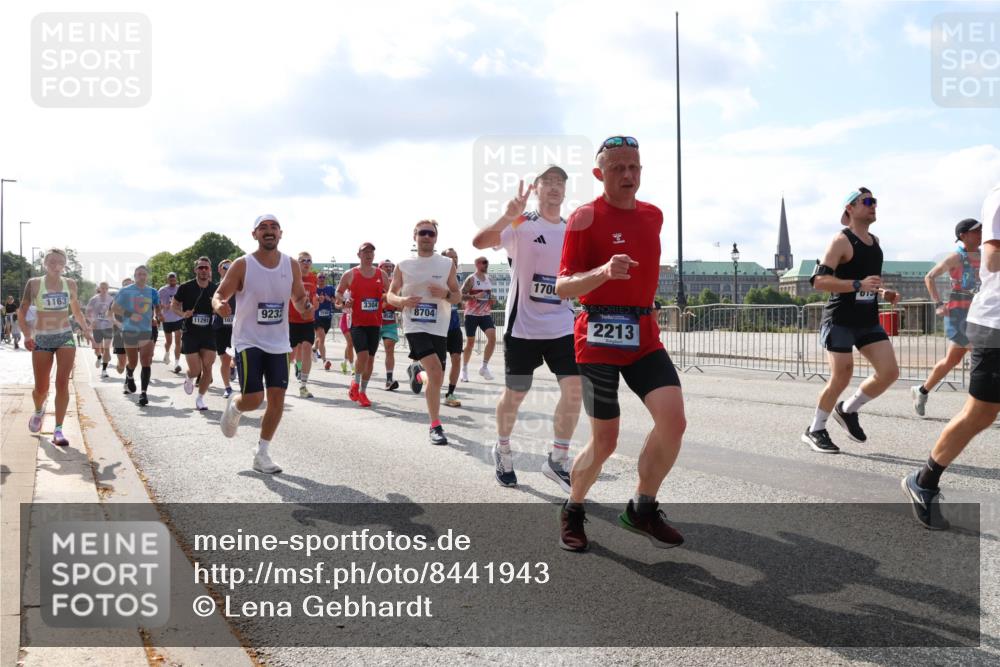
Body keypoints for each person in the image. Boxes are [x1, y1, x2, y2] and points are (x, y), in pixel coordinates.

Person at [555, 136, 686, 552]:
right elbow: (563, 286)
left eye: (634, 167)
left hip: (644, 335)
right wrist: (604, 271)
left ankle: (642, 507)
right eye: (617, 168)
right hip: (597, 338)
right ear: (599, 173)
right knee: (606, 440)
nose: (628, 175)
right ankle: (574, 508)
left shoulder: (654, 215)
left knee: (674, 422)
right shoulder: (583, 218)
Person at [473, 168, 581, 491]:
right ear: (536, 189)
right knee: (515, 395)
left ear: (565, 191)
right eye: (548, 182)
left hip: (562, 324)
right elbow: (479, 241)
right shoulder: (521, 224)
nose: (554, 188)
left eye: (560, 182)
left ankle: (557, 459)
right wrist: (507, 216)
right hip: (523, 327)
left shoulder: (572, 229)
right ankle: (503, 448)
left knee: (574, 389)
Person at [903, 183, 1000, 530]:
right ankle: (924, 481)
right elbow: (992, 259)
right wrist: (939, 304)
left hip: (976, 317)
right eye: (972, 232)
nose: (976, 234)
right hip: (990, 322)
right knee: (979, 414)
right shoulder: (998, 199)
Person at [802, 187, 901, 453]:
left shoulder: (875, 242)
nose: (873, 206)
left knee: (890, 373)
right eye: (867, 201)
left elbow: (868, 281)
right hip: (841, 319)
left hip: (867, 319)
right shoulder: (840, 241)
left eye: (875, 201)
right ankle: (815, 429)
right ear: (850, 208)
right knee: (841, 376)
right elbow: (819, 281)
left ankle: (847, 409)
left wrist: (883, 291)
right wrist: (859, 284)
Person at [214, 214, 313, 474]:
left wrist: (305, 306)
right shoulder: (242, 264)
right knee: (254, 398)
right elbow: (220, 294)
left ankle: (262, 452)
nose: (269, 231)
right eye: (263, 228)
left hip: (279, 342)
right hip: (248, 340)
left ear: (281, 233)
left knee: (277, 399)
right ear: (254, 234)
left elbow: (299, 296)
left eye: (273, 227)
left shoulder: (290, 265)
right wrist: (219, 305)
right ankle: (236, 406)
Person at [387, 220, 461, 445]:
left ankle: (417, 372)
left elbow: (457, 296)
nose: (426, 236)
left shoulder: (446, 264)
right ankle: (435, 426)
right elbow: (390, 295)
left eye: (430, 233)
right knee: (437, 371)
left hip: (439, 326)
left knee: (434, 376)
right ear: (415, 236)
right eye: (422, 233)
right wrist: (402, 300)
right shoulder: (403, 264)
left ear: (436, 238)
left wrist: (445, 294)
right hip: (414, 324)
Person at [18, 248, 92, 446]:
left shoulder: (70, 284)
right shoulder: (34, 284)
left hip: (65, 337)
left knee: (62, 383)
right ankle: (38, 410)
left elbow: (76, 311)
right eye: (51, 261)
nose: (56, 265)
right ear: (45, 264)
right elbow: (22, 311)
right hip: (42, 338)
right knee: (41, 387)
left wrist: (86, 330)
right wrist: (26, 335)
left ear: (64, 264)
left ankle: (58, 429)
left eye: (60, 262)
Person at [912, 219, 982, 416]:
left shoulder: (985, 257)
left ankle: (922, 390)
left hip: (977, 314)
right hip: (958, 315)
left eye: (982, 230)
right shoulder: (955, 258)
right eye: (977, 231)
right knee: (984, 355)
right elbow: (929, 277)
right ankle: (982, 404)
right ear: (963, 235)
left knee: (952, 360)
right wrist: (939, 304)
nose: (981, 234)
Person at [336, 242, 389, 407]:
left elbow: (390, 294)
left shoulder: (381, 274)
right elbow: (338, 293)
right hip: (357, 322)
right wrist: (345, 301)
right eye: (365, 252)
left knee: (371, 360)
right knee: (363, 355)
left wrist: (387, 300)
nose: (369, 254)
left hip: (374, 322)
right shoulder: (351, 274)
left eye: (371, 252)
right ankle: (356, 383)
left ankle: (363, 392)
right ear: (358, 255)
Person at [172, 257, 219, 411]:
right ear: (196, 270)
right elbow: (174, 306)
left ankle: (200, 398)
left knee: (208, 367)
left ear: (210, 271)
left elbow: (221, 306)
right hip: (190, 332)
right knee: (195, 370)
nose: (204, 270)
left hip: (209, 333)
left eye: (206, 268)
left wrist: (217, 310)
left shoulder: (215, 289)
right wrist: (183, 313)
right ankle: (189, 377)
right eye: (201, 268)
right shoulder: (186, 287)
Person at [114, 266, 161, 407]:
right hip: (130, 331)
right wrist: (130, 315)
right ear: (135, 276)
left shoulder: (152, 292)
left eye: (144, 274)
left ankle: (144, 393)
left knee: (146, 361)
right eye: (139, 274)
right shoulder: (125, 291)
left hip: (147, 331)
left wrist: (158, 315)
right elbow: (114, 308)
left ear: (147, 276)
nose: (141, 276)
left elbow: (157, 307)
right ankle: (129, 375)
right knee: (133, 362)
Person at [460, 256, 497, 381]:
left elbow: (489, 295)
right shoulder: (471, 279)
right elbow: (461, 296)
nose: (487, 265)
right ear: (477, 264)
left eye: (487, 262)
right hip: (471, 314)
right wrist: (475, 296)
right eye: (484, 263)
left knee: (492, 338)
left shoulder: (488, 279)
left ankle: (484, 367)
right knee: (470, 343)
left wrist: (492, 299)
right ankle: (464, 369)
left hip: (485, 314)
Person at [289, 252, 318, 398]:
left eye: (309, 260)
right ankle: (280, 383)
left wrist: (314, 304)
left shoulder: (313, 278)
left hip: (307, 321)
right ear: (297, 263)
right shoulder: (291, 277)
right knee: (289, 355)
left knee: (307, 348)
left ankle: (303, 386)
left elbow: (313, 298)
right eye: (303, 260)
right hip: (291, 321)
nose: (306, 263)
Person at [440, 249, 465, 407]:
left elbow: (459, 300)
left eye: (456, 257)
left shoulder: (459, 277)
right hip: (439, 326)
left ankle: (450, 393)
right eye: (451, 258)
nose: (454, 260)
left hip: (454, 325)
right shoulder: (437, 275)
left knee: (456, 358)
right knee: (439, 365)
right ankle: (419, 374)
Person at [214, 259, 237, 399]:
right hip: (220, 328)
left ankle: (233, 367)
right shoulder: (215, 288)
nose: (228, 268)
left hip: (237, 328)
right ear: (219, 269)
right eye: (225, 266)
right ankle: (227, 387)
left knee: (236, 358)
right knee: (225, 359)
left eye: (231, 266)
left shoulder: (239, 288)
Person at [377, 260, 401, 391]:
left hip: (389, 320)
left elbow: (398, 304)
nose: (389, 269)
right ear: (380, 269)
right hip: (374, 321)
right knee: (369, 353)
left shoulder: (395, 285)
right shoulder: (373, 281)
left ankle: (389, 379)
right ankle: (361, 378)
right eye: (386, 267)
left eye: (391, 267)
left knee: (389, 348)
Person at [85, 282, 116, 378]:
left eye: (106, 288)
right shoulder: (94, 299)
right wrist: (92, 321)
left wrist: (114, 320)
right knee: (97, 349)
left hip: (108, 326)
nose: (104, 290)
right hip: (97, 326)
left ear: (108, 289)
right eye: (102, 288)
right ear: (99, 288)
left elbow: (114, 311)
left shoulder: (111, 299)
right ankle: (99, 357)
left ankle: (104, 370)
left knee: (106, 348)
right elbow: (87, 312)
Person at [158, 272, 183, 372]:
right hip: (167, 319)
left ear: (176, 279)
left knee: (178, 341)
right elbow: (157, 305)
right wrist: (160, 312)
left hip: (178, 318)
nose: (173, 282)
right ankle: (167, 352)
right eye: (170, 280)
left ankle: (177, 363)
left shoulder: (180, 289)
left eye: (174, 280)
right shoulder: (162, 290)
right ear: (167, 280)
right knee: (169, 342)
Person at [313, 272, 335, 370]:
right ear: (317, 279)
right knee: (321, 338)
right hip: (316, 317)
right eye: (320, 277)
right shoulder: (314, 289)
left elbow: (335, 301)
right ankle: (324, 360)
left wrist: (328, 299)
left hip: (327, 318)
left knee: (320, 338)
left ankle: (314, 349)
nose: (321, 279)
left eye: (323, 277)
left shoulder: (330, 288)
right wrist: (317, 300)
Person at [338, 292, 355, 375]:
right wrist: (343, 304)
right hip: (345, 318)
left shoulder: (356, 289)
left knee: (349, 344)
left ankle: (344, 363)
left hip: (354, 318)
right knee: (350, 343)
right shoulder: (343, 292)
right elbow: (336, 305)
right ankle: (352, 367)